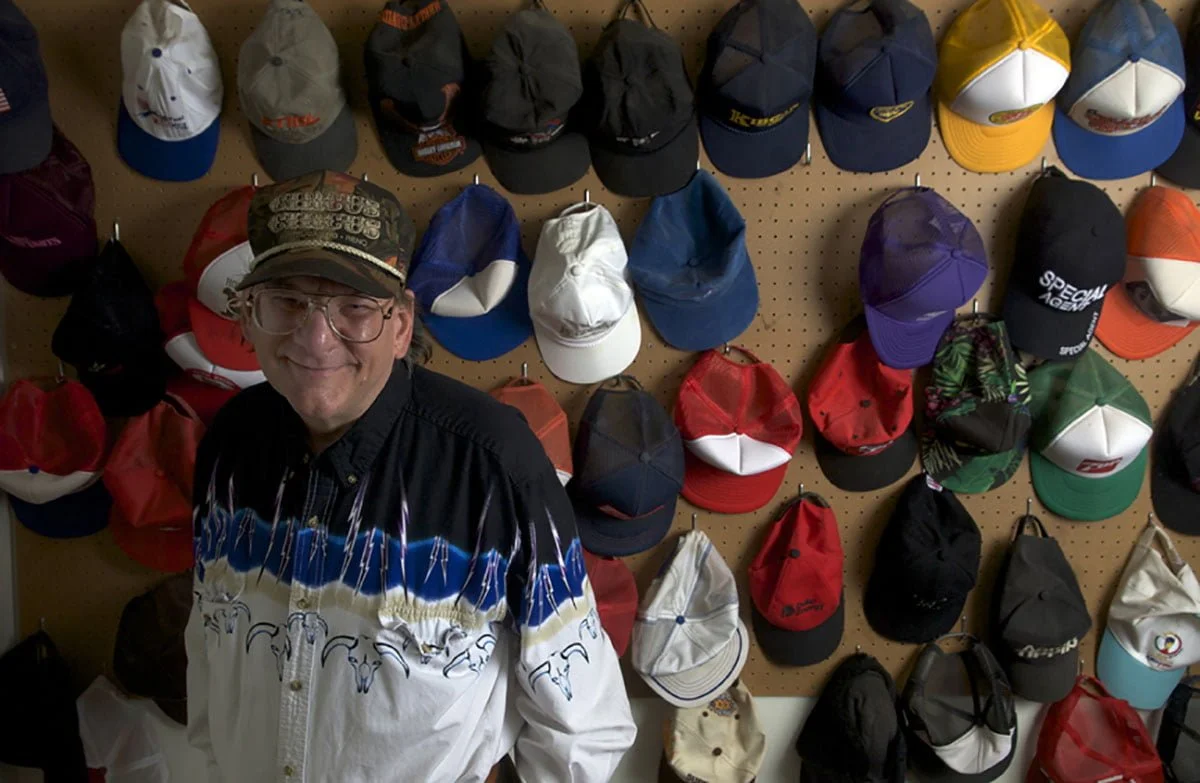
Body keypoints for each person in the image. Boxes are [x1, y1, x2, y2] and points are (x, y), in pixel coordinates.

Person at [184, 170, 636, 782]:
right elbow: (210, 659)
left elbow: (583, 726)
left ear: (400, 325)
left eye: (355, 308)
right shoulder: (228, 448)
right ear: (249, 314)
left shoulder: (493, 464)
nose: (316, 339)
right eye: (287, 302)